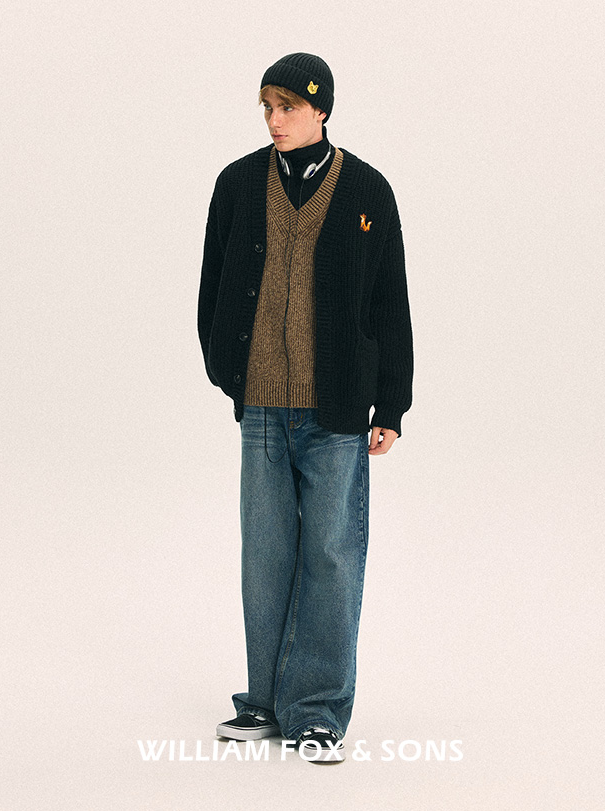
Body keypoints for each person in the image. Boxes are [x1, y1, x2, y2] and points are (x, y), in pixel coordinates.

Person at [197, 52, 413, 763]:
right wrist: (228, 371)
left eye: (288, 106)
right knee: (265, 557)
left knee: (331, 556)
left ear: (321, 109)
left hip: (338, 410)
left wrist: (392, 404)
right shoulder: (237, 184)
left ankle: (316, 711)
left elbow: (390, 301)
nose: (275, 120)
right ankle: (265, 700)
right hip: (262, 406)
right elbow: (212, 284)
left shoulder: (368, 191)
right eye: (267, 107)